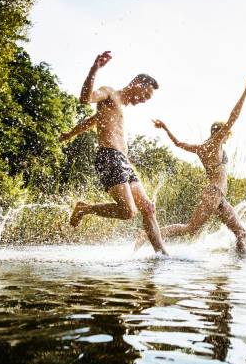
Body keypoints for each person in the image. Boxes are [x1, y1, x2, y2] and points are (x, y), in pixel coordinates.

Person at [59, 50, 167, 254]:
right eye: (146, 95)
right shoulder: (109, 93)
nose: (145, 100)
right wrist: (95, 68)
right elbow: (86, 98)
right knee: (128, 211)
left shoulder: (119, 109)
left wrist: (70, 134)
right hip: (108, 157)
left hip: (123, 161)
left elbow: (90, 121)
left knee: (148, 208)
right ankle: (84, 208)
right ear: (138, 83)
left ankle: (162, 254)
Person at [147, 76, 246, 254]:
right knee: (190, 229)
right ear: (221, 133)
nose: (226, 135)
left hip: (218, 197)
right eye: (225, 133)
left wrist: (166, 128)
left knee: (240, 232)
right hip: (214, 193)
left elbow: (179, 144)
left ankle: (239, 265)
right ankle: (149, 234)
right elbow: (233, 117)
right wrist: (245, 92)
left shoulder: (201, 147)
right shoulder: (216, 142)